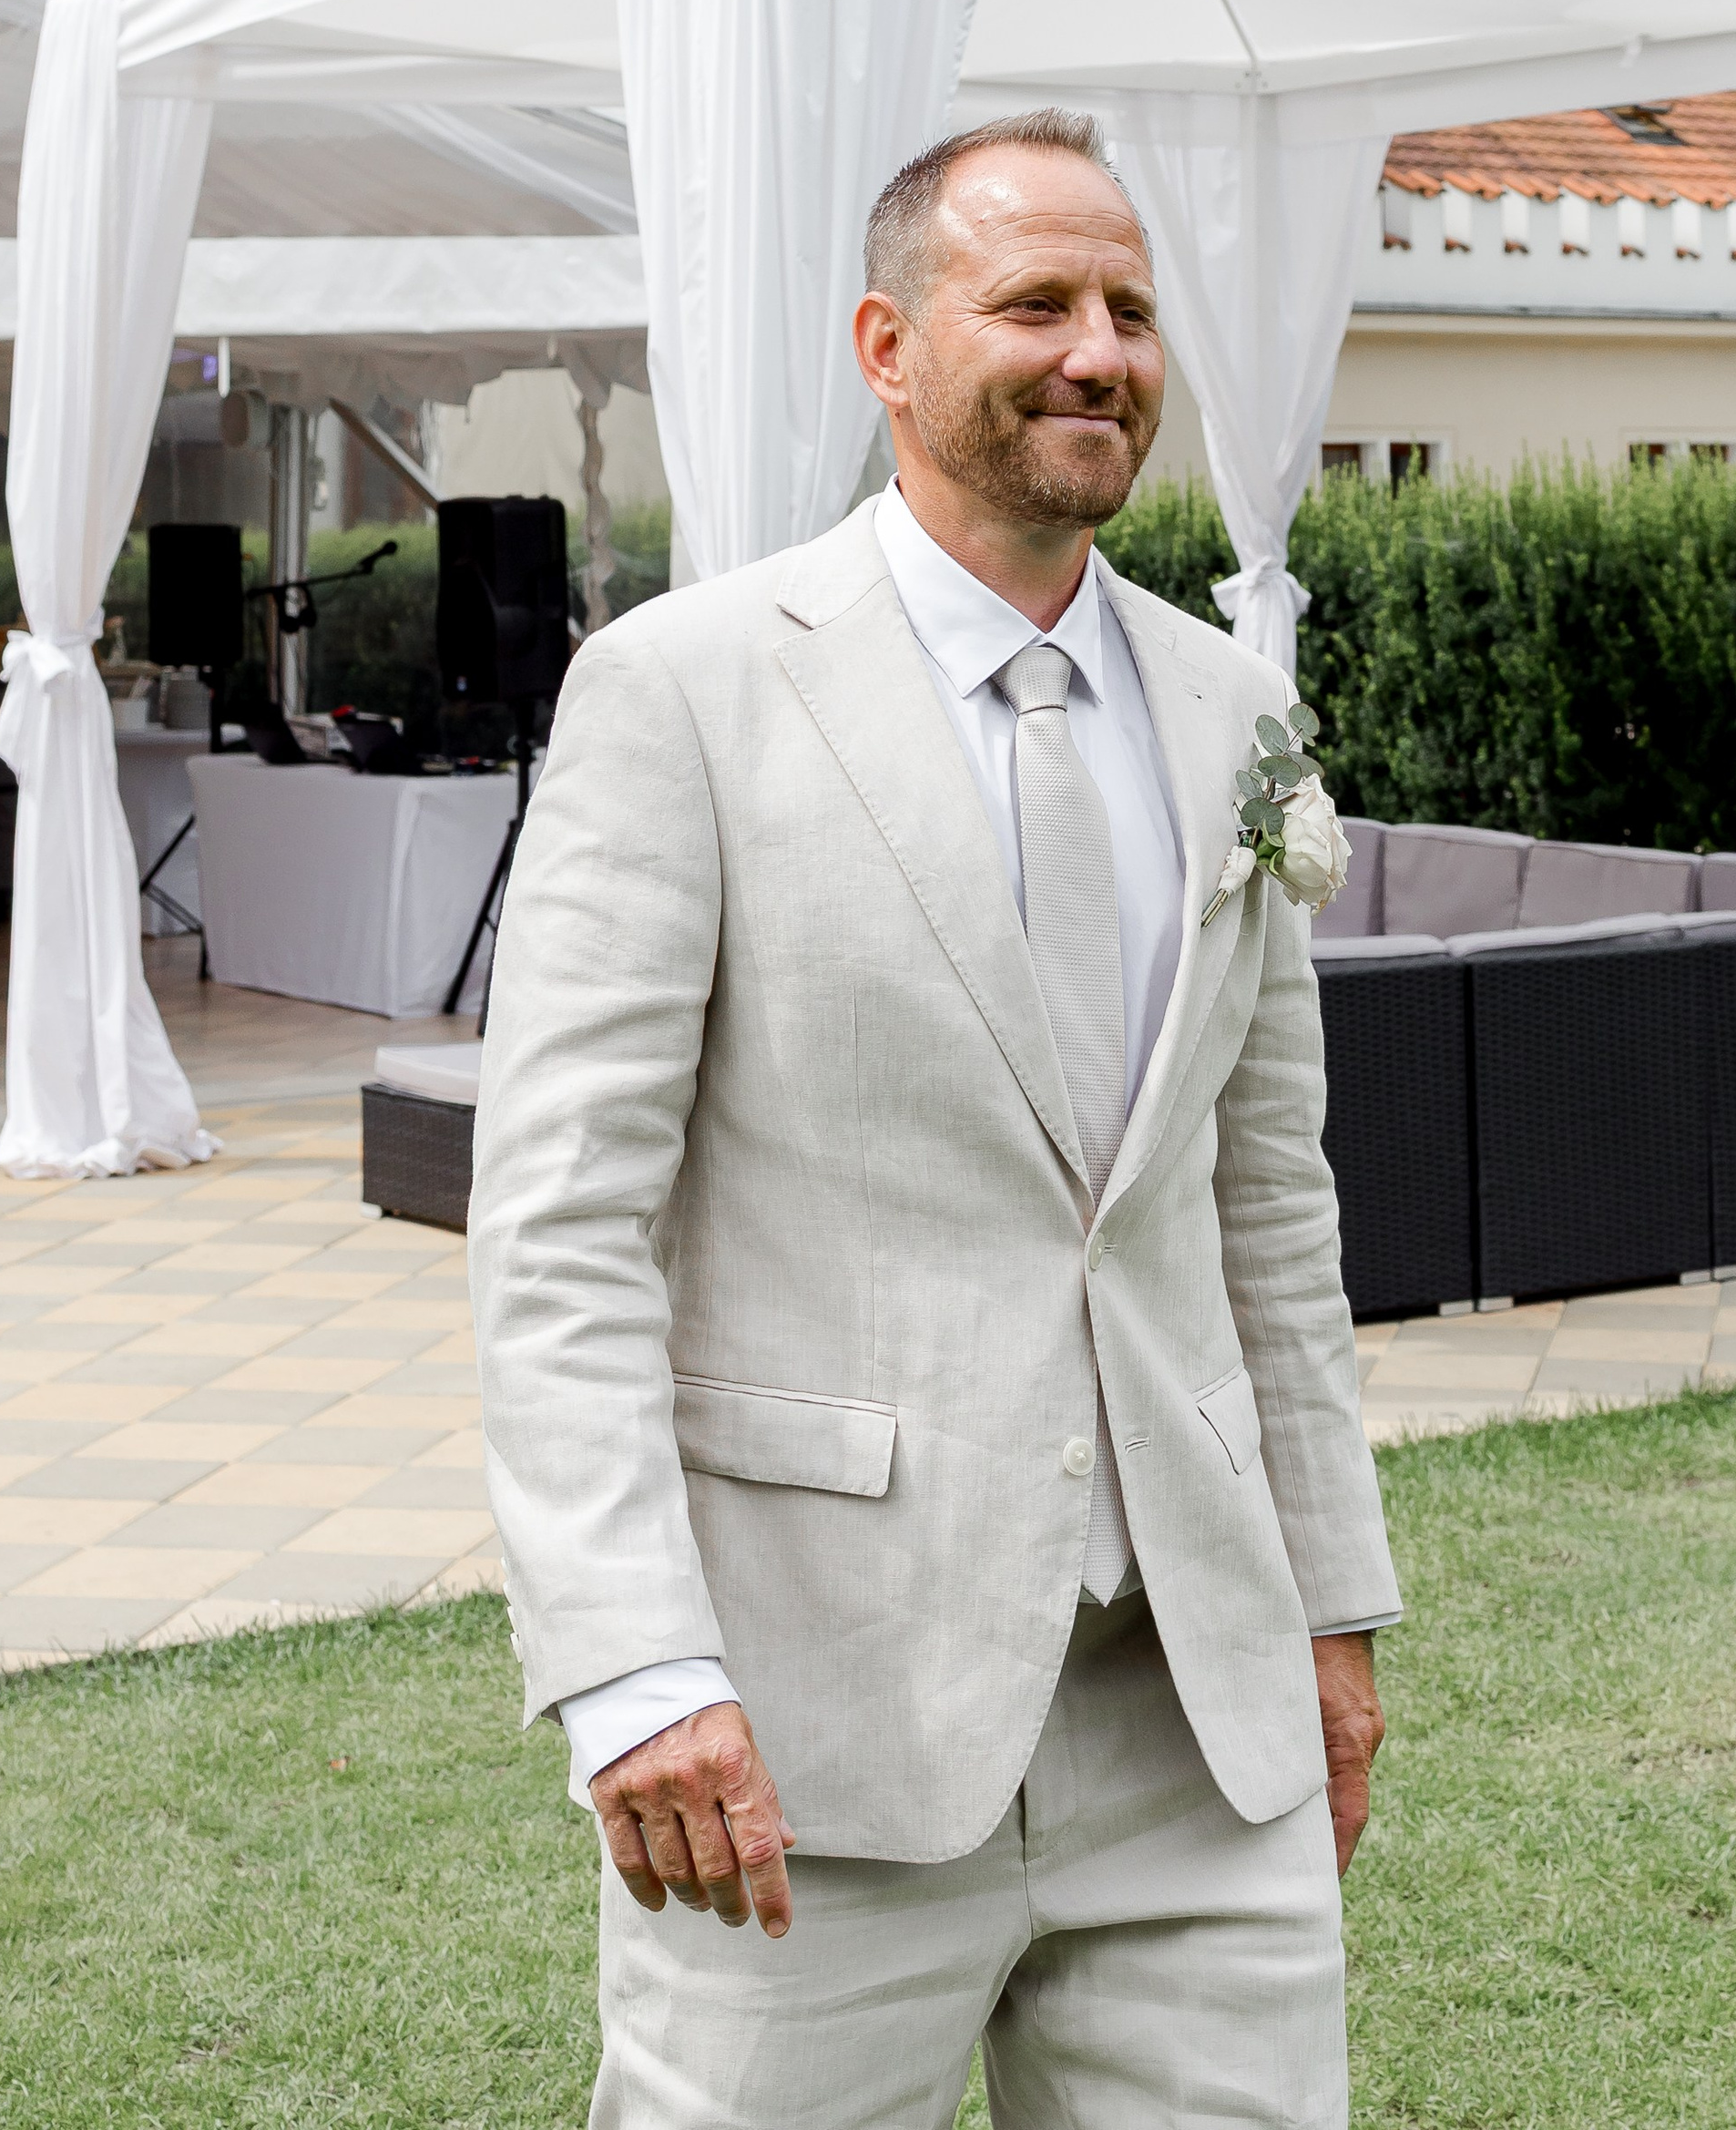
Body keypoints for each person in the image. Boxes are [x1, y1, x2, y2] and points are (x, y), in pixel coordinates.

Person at [470, 108, 1400, 2128]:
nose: (1099, 353)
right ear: (890, 347)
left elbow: (1265, 1205)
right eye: (1038, 301)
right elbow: (561, 1233)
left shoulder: (1232, 713)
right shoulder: (681, 693)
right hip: (808, 1727)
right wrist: (634, 1667)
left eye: (1132, 311)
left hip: (1195, 1730)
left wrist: (1326, 1608)